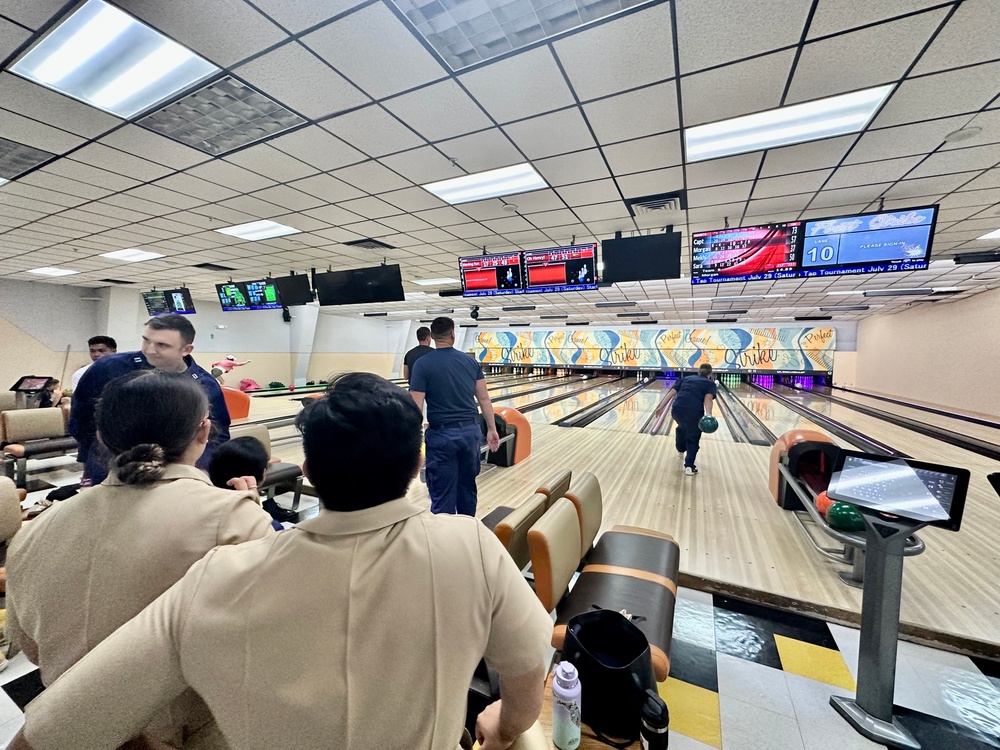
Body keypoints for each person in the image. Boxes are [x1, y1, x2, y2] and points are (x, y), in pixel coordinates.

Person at [7, 373, 552, 750]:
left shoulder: (216, 579)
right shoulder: (473, 546)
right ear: (416, 464)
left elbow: (54, 723)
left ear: (307, 466)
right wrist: (504, 727)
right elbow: (529, 666)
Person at [5, 370, 274, 749]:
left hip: (66, 729)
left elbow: (29, 646)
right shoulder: (235, 519)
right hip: (185, 734)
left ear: (101, 436)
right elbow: (258, 652)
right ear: (203, 431)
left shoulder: (36, 529)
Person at [70, 314, 230, 486]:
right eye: (146, 340)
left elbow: (217, 436)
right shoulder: (108, 368)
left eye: (162, 345)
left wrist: (198, 470)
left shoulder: (205, 385)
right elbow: (82, 417)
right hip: (110, 468)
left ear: (186, 349)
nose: (149, 350)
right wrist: (96, 454)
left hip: (176, 478)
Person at [409, 317, 500, 515]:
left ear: (432, 336)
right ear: (452, 334)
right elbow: (484, 399)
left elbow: (415, 407)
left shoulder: (422, 364)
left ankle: (444, 541)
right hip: (470, 433)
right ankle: (467, 536)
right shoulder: (470, 361)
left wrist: (414, 442)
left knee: (442, 494)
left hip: (441, 436)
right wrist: (492, 429)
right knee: (467, 488)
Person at [666, 363, 717, 476]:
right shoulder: (710, 383)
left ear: (698, 371)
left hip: (677, 410)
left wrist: (661, 407)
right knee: (693, 437)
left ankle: (680, 447)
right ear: (710, 373)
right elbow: (708, 399)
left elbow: (672, 392)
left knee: (683, 426)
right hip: (694, 412)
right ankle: (689, 466)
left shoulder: (686, 378)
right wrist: (709, 415)